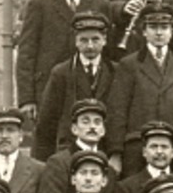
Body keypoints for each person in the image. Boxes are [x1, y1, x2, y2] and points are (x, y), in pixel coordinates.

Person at [16, 0, 113, 123]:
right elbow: (26, 53)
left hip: (89, 91)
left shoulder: (100, 6)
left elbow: (107, 52)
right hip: (48, 91)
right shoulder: (40, 5)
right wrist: (27, 99)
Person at [106, 2, 173, 173]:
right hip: (138, 147)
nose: (159, 32)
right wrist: (115, 152)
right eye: (153, 27)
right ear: (144, 32)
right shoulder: (129, 64)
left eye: (164, 27)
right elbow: (117, 110)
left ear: (171, 31)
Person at [34, 11, 120, 163]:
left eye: (95, 39)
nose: (90, 46)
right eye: (84, 40)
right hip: (69, 151)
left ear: (104, 40)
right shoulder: (61, 73)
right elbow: (46, 122)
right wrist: (42, 163)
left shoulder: (116, 72)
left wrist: (116, 154)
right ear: (76, 41)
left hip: (105, 152)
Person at [36, 99, 116, 193]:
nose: (92, 127)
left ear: (103, 130)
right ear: (74, 129)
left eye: (97, 122)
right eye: (85, 122)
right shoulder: (59, 163)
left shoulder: (109, 170)